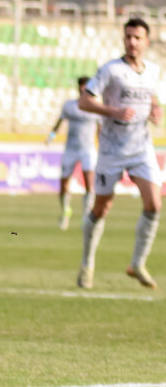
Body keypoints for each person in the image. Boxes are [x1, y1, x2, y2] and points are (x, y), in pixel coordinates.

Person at [76, 17, 163, 290]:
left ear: (146, 42)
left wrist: (156, 108)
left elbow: (151, 96)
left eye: (137, 38)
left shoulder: (153, 70)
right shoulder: (111, 70)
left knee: (154, 204)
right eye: (128, 37)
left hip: (141, 147)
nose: (132, 42)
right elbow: (84, 101)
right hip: (112, 149)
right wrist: (113, 111)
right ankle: (87, 264)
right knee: (102, 208)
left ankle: (137, 264)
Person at [46, 78, 100, 231]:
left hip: (88, 149)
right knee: (64, 183)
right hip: (71, 149)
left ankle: (86, 215)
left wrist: (103, 145)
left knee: (89, 182)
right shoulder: (69, 106)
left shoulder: (96, 108)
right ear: (78, 88)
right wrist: (51, 136)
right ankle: (65, 210)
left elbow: (100, 129)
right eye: (82, 87)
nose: (83, 90)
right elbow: (59, 122)